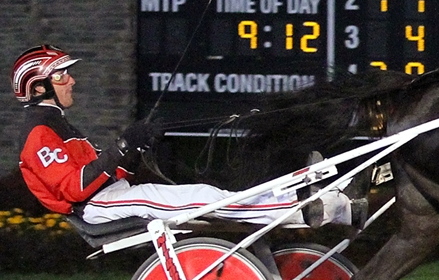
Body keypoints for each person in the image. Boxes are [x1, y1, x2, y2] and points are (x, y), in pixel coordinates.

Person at [12, 45, 363, 229]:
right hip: (96, 207)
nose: (71, 80)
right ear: (39, 87)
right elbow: (76, 188)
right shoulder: (40, 134)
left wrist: (135, 151)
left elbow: (107, 173)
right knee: (205, 199)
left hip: (111, 196)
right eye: (61, 77)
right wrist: (124, 144)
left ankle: (328, 205)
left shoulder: (57, 126)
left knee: (210, 194)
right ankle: (301, 208)